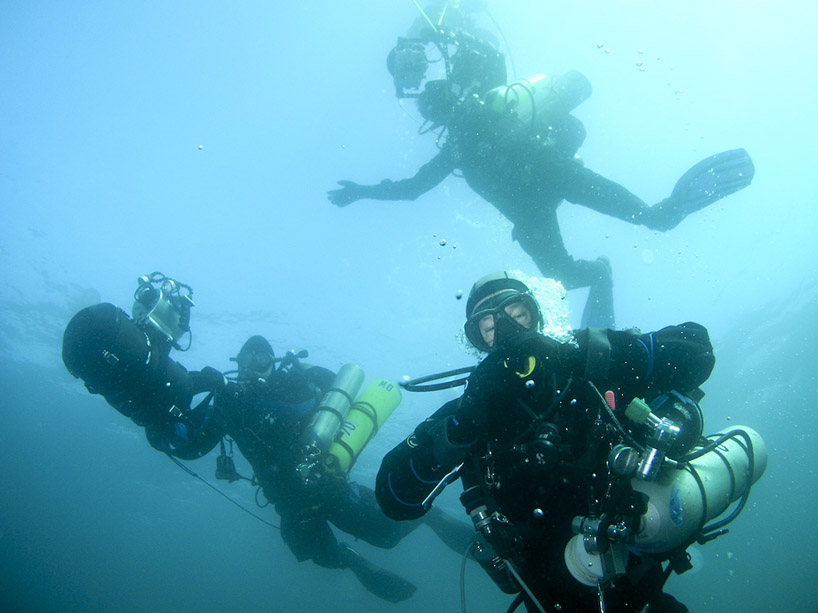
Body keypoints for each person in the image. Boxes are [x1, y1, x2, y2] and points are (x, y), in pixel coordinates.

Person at [62, 298, 474, 603]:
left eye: (261, 357)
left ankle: (431, 516)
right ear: (238, 361)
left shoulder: (294, 381)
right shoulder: (229, 402)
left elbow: (306, 403)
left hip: (323, 480)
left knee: (386, 534)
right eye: (247, 358)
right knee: (314, 552)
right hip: (288, 501)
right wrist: (162, 425)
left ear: (272, 360)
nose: (254, 363)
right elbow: (194, 442)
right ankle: (351, 560)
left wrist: (248, 394)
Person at [329, 54, 754, 329]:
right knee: (567, 275)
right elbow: (412, 189)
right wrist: (362, 191)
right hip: (542, 197)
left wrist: (361, 192)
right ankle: (601, 272)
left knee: (653, 220)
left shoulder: (475, 123)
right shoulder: (461, 141)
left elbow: (412, 189)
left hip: (553, 181)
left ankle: (625, 251)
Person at [375, 271, 718, 611]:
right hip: (549, 595)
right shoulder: (472, 410)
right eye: (488, 327)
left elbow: (698, 350)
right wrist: (461, 427)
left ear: (536, 314)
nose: (505, 330)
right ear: (478, 341)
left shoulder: (586, 363)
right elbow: (393, 499)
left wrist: (580, 355)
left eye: (516, 313)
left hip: (640, 573)